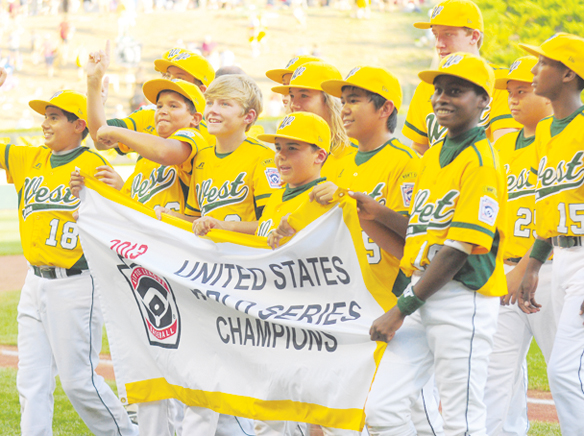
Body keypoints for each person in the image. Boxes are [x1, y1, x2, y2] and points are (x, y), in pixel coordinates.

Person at [356, 52, 507, 435]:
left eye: (455, 91)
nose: (441, 98)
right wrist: (376, 212)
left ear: (483, 100)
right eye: (438, 90)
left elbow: (457, 249)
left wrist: (401, 308)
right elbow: (421, 230)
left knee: (462, 421)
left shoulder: (482, 160)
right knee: (381, 409)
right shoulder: (434, 155)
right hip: (421, 292)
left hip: (461, 299)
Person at [0, 72, 139, 435]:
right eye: (45, 116)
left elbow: (124, 221)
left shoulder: (94, 166)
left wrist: (97, 195)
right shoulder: (29, 158)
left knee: (79, 382)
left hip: (76, 283)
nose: (45, 124)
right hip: (35, 283)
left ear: (79, 125)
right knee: (31, 382)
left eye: (54, 117)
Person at [317, 65, 444, 436]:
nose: (344, 109)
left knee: (416, 409)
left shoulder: (406, 161)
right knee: (359, 403)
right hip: (349, 299)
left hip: (393, 296)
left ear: (385, 108)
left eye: (354, 100)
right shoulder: (337, 163)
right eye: (343, 101)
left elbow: (418, 237)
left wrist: (375, 211)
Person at [483, 56, 555, 436]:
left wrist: (527, 266)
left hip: (552, 267)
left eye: (522, 91)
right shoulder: (502, 143)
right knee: (494, 375)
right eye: (509, 93)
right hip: (505, 273)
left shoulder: (559, 140)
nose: (512, 100)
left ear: (546, 96)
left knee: (565, 370)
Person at [517, 32, 584, 436]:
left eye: (543, 63)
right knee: (572, 368)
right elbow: (547, 204)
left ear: (568, 74)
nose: (535, 70)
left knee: (563, 370)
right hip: (560, 258)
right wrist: (533, 264)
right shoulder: (544, 132)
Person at [403, 0, 520, 155]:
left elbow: (504, 146)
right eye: (436, 35)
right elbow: (419, 151)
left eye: (448, 34)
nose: (438, 43)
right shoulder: (427, 85)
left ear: (474, 36)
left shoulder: (500, 81)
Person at [181, 74, 279, 235]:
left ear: (248, 116)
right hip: (209, 255)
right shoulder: (201, 157)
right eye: (210, 103)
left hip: (244, 255)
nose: (213, 110)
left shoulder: (264, 158)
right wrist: (166, 216)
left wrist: (226, 226)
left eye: (224, 104)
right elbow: (196, 218)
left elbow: (271, 224)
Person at [271, 61, 355, 181]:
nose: (294, 105)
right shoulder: (289, 152)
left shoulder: (357, 150)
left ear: (330, 101)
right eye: (292, 96)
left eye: (304, 96)